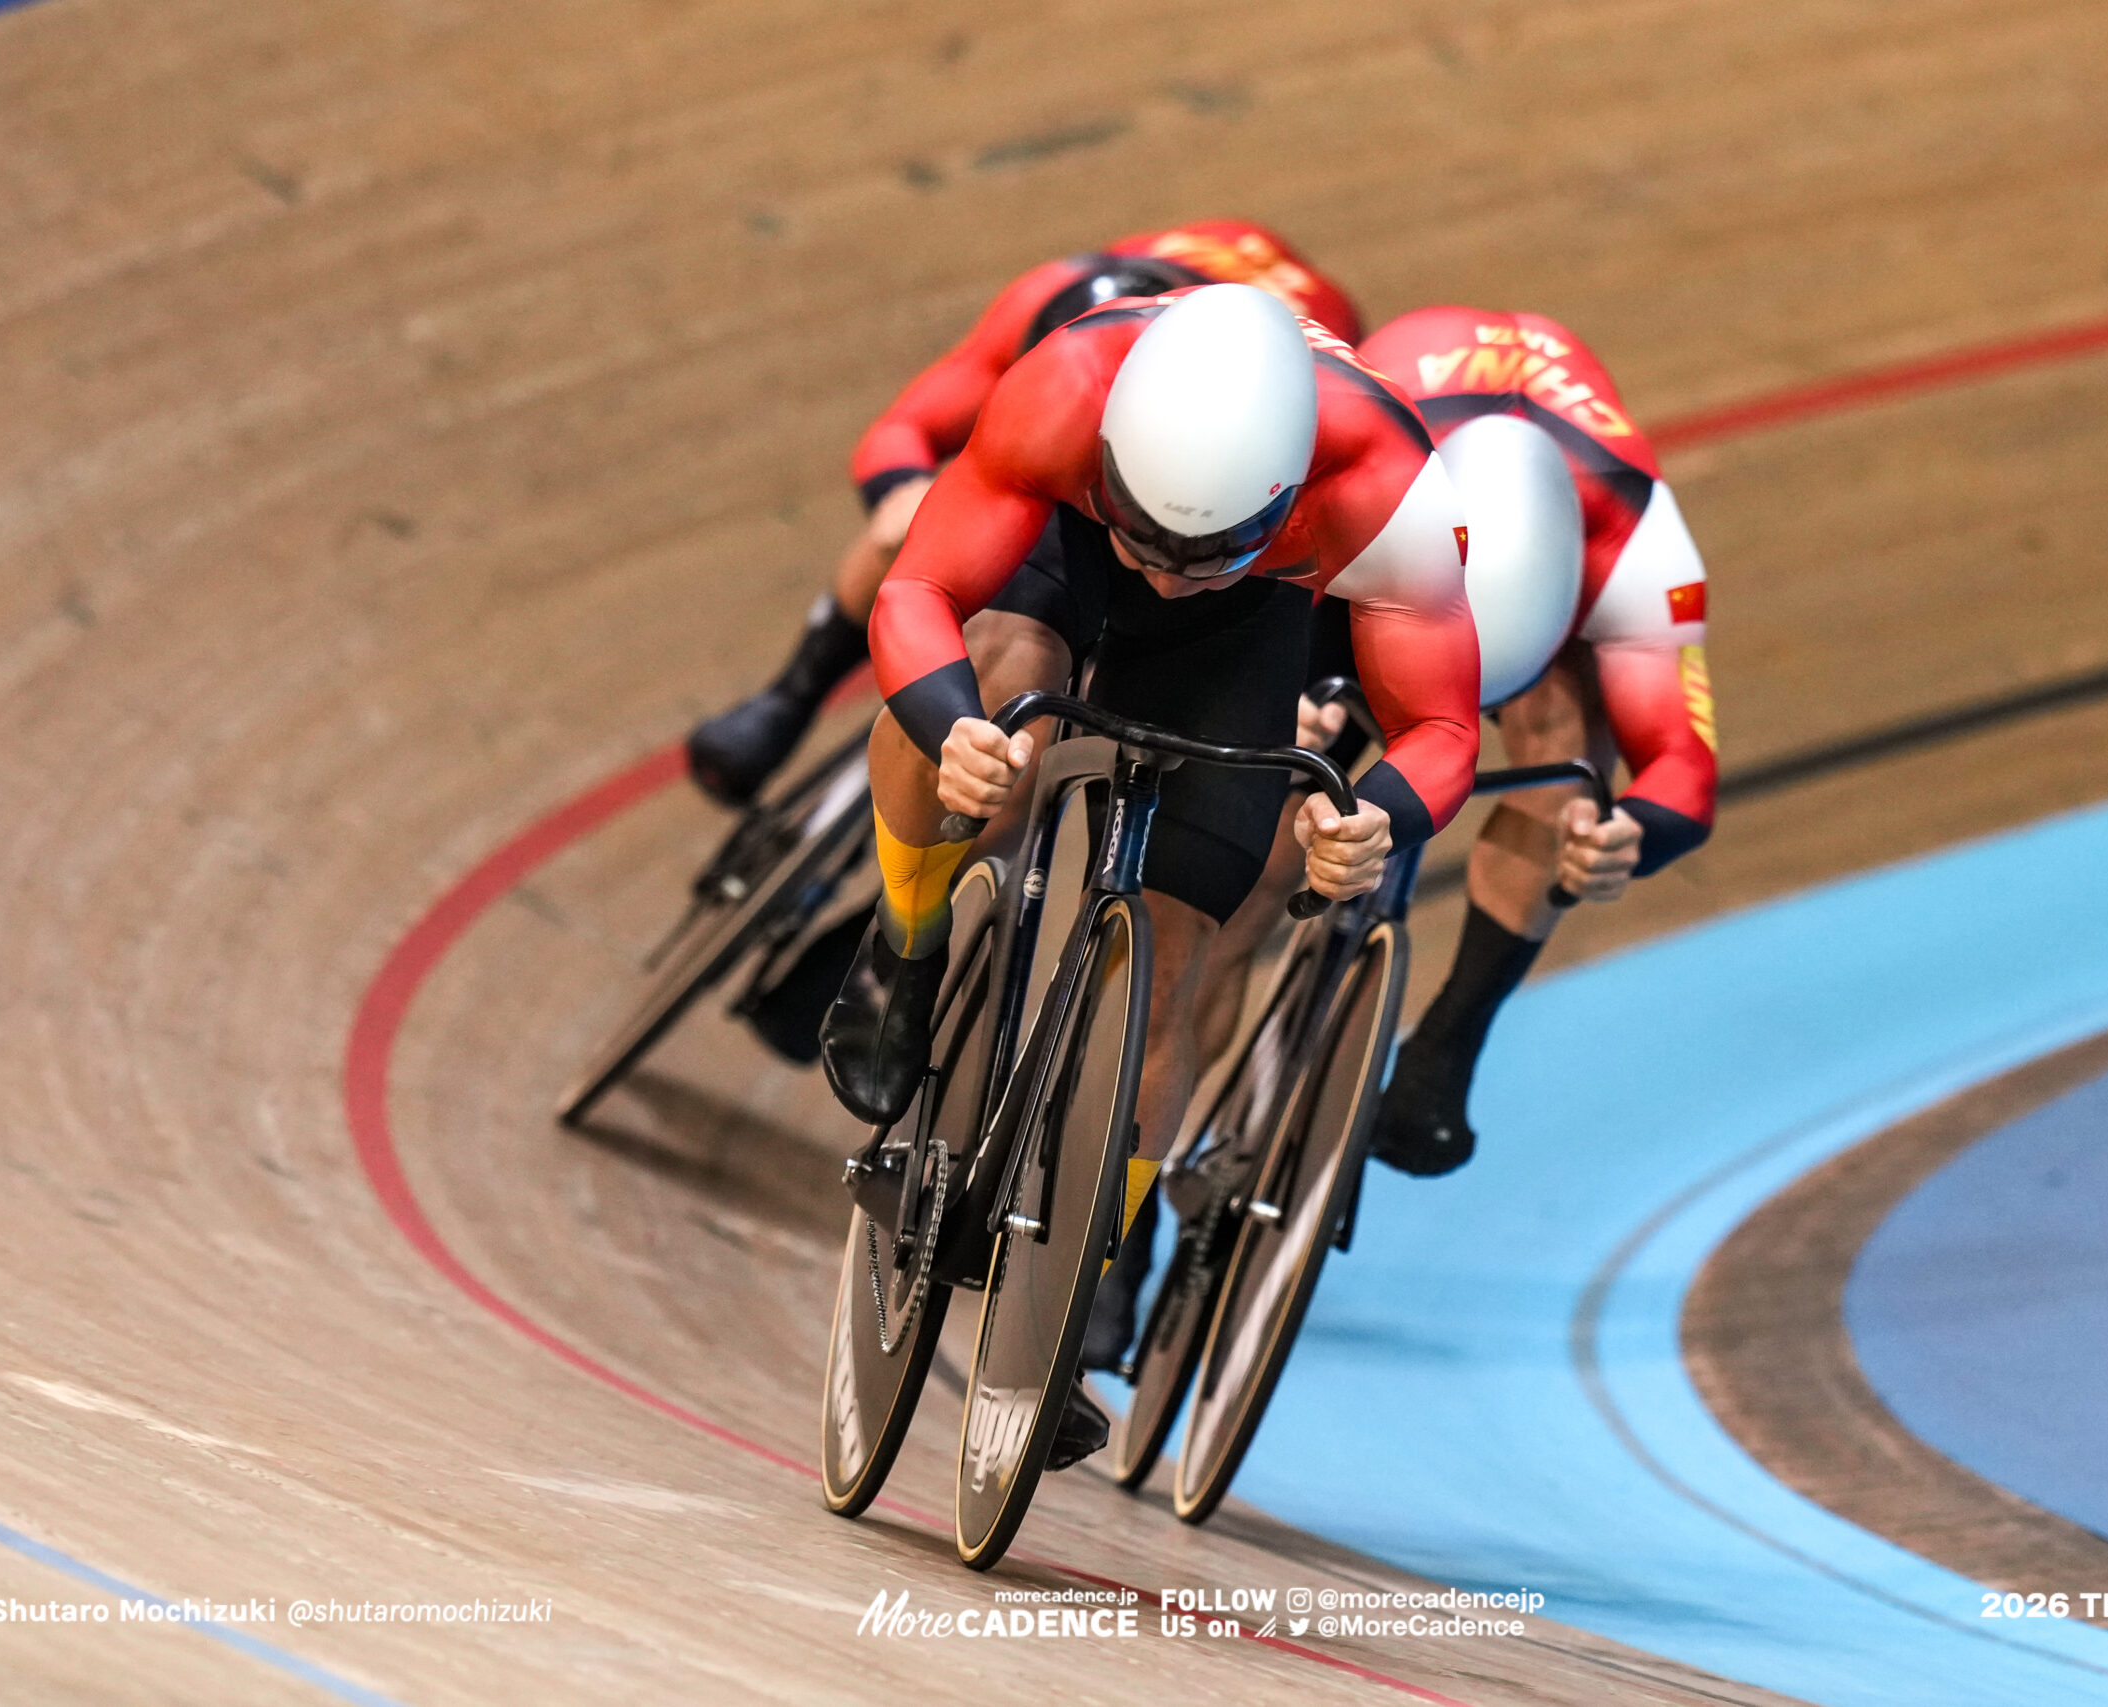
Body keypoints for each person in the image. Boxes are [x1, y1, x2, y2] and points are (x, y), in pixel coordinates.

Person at [824, 283, 1479, 1461]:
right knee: (993, 703)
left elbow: (1440, 726)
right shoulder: (1064, 391)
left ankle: (1072, 1301)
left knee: (1174, 955)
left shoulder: (1387, 486)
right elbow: (919, 591)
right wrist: (951, 725)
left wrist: (1369, 816)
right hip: (1061, 557)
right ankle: (906, 941)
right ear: (1115, 453)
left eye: (1202, 551)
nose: (1168, 574)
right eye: (1151, 534)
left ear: (1286, 496)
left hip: (1250, 628)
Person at [684, 222, 1367, 806]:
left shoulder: (1297, 409)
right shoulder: (1050, 318)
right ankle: (790, 696)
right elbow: (901, 433)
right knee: (912, 520)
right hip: (1164, 313)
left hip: (1233, 438)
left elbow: (1297, 560)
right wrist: (906, 492)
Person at [1348, 305, 1720, 1177]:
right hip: (1393, 538)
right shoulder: (1365, 460)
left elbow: (1683, 763)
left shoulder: (1638, 549)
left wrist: (1631, 832)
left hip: (1539, 542)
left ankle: (1448, 1041)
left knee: (1572, 758)